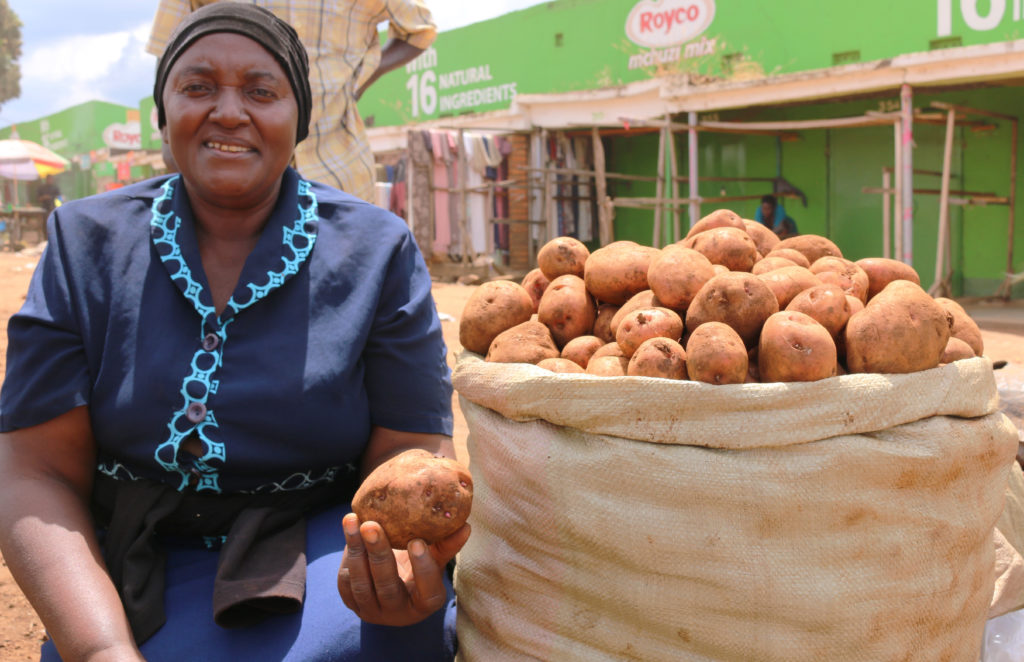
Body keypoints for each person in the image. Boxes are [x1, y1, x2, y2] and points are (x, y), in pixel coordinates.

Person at [0, 5, 466, 661]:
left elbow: (412, 447)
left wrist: (391, 568)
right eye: (196, 87)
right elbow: (33, 469)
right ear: (162, 113)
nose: (227, 111)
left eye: (260, 91)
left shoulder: (376, 250)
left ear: (297, 118)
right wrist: (102, 647)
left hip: (320, 552)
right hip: (134, 567)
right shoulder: (84, 243)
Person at [146, 0, 436, 204]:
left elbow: (419, 29)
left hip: (336, 162)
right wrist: (167, 129)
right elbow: (169, 47)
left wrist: (359, 83)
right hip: (226, 175)